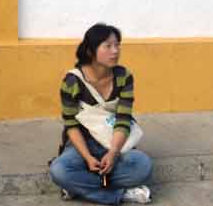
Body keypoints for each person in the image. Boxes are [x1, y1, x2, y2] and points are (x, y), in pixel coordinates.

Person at [49, 23, 153, 204]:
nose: (115, 51)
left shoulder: (123, 76)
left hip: (113, 141)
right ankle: (119, 195)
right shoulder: (73, 80)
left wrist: (113, 153)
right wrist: (88, 157)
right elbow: (71, 125)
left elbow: (123, 119)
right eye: (108, 46)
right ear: (90, 51)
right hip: (83, 144)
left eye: (117, 45)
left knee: (143, 165)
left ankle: (80, 186)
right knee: (60, 170)